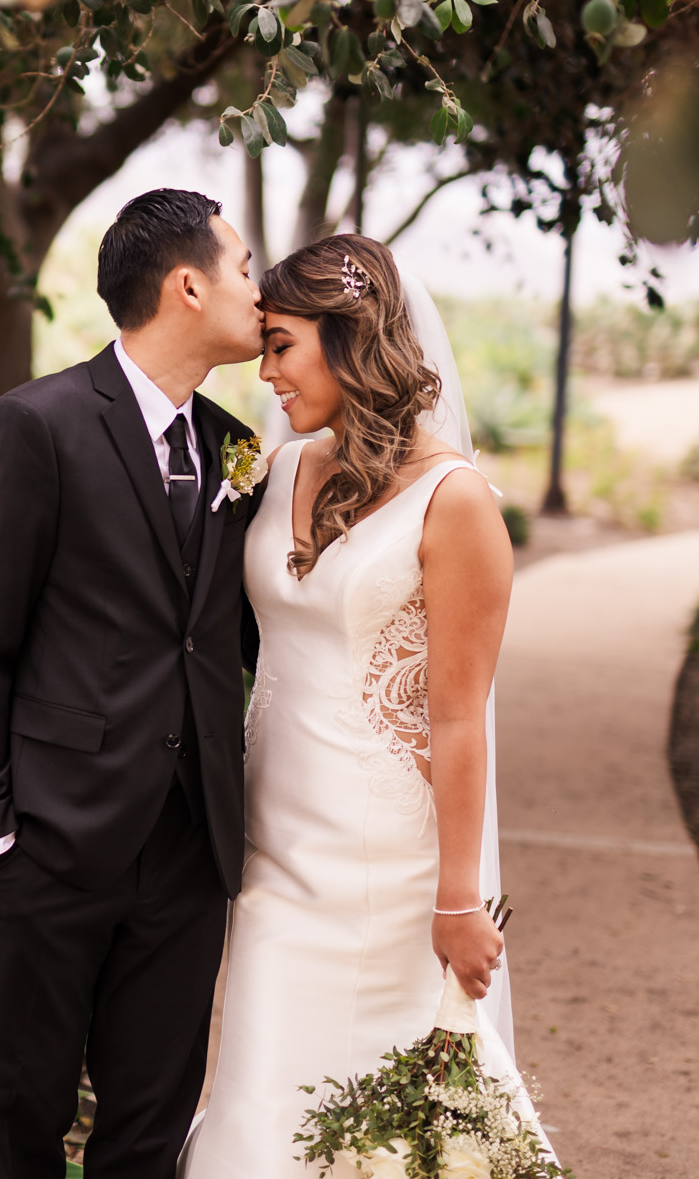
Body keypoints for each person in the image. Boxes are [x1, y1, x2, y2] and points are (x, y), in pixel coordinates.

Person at [180, 232, 559, 1174]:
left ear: (349, 340)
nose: (264, 372)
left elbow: (462, 715)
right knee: (260, 1093)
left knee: (384, 1113)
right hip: (272, 850)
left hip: (387, 864)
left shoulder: (456, 501)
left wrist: (460, 900)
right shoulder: (273, 473)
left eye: (282, 345)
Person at [0, 188, 266, 1179]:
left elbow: (234, 636)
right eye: (244, 267)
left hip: (184, 849)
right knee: (21, 1122)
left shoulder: (234, 447)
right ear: (187, 283)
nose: (259, 287)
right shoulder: (33, 427)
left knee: (148, 1132)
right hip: (48, 840)